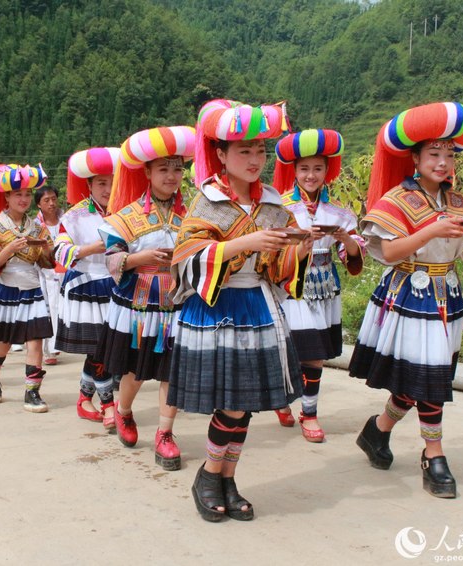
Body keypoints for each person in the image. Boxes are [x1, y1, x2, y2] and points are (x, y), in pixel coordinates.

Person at [168, 99, 302, 522]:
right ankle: (210, 475)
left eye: (260, 151)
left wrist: (301, 244)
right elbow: (184, 259)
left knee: (242, 402)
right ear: (221, 155)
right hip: (216, 306)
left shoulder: (276, 204)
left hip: (258, 306)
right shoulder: (206, 203)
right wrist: (244, 244)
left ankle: (225, 478)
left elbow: (279, 268)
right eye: (243, 151)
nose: (254, 159)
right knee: (230, 403)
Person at [349, 102, 463, 499]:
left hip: (447, 295)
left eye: (449, 155)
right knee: (430, 379)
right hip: (412, 295)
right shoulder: (397, 200)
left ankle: (376, 431)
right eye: (434, 154)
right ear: (414, 158)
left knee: (422, 377)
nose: (443, 163)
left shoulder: (459, 201)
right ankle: (435, 456)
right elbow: (391, 253)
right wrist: (432, 230)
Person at [97, 125, 194, 471]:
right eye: (163, 169)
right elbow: (112, 259)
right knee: (136, 371)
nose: (172, 176)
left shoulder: (193, 214)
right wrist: (143, 258)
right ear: (148, 172)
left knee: (172, 371)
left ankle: (165, 434)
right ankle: (123, 411)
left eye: (178, 168)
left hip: (179, 303)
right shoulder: (125, 216)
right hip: (138, 304)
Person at [272, 129, 366, 442]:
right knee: (291, 350)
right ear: (293, 171)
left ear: (328, 171)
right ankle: (284, 398)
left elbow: (352, 256)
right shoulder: (280, 208)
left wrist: (345, 239)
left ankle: (308, 412)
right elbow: (272, 251)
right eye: (304, 169)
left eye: (317, 168)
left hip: (324, 286)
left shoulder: (339, 212)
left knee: (315, 355)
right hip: (291, 285)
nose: (310, 175)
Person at [0, 163, 54, 412]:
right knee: (5, 340)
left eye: (28, 194)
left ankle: (32, 392)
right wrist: (10, 249)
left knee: (36, 340)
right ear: (6, 196)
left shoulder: (37, 227)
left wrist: (49, 251)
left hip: (31, 286)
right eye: (18, 194)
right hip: (6, 287)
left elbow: (48, 261)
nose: (24, 199)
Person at [55, 147, 120, 428]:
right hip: (86, 285)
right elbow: (59, 252)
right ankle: (108, 405)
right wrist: (95, 246)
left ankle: (83, 400)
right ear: (89, 185)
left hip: (116, 286)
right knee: (100, 348)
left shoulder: (124, 212)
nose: (107, 189)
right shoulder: (74, 216)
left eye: (112, 182)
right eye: (101, 183)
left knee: (102, 349)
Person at [33, 185, 63, 365]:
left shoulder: (66, 219)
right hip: (44, 271)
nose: (51, 203)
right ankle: (48, 350)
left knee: (62, 307)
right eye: (46, 200)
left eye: (53, 199)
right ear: (38, 204)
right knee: (47, 307)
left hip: (65, 269)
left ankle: (59, 343)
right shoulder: (35, 225)